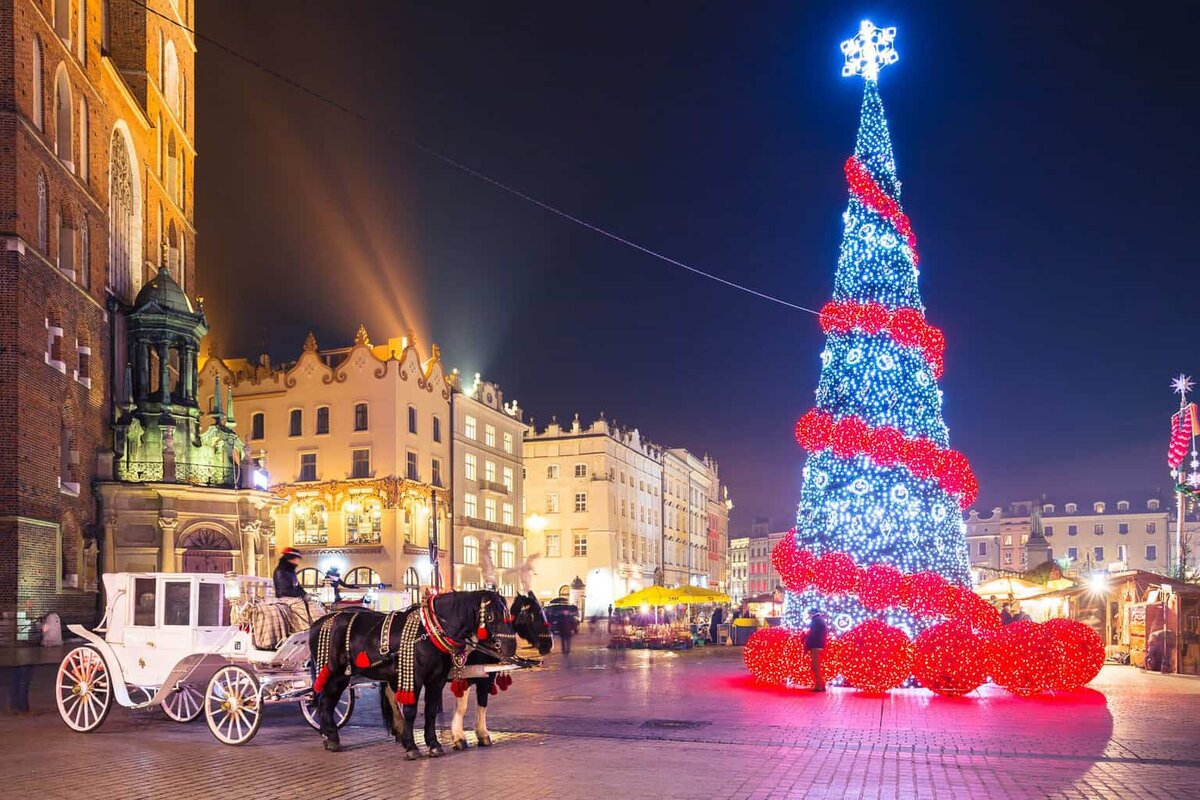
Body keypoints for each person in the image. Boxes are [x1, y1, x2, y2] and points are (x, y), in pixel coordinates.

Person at [806, 608, 828, 692]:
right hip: (820, 645)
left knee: (815, 666)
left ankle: (819, 686)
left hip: (815, 646)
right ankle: (821, 684)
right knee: (817, 666)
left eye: (809, 614)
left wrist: (807, 644)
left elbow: (812, 634)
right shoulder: (820, 620)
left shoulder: (815, 621)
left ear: (812, 613)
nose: (808, 615)